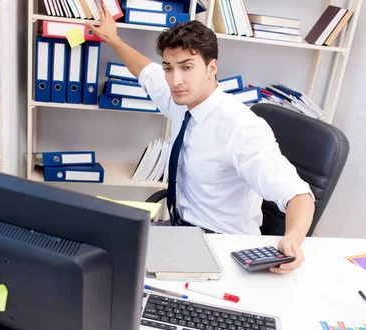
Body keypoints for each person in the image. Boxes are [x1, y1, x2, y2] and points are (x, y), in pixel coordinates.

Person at [88, 12, 315, 274]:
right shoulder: (180, 98)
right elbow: (145, 71)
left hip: (222, 245)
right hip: (180, 230)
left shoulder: (241, 127)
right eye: (169, 68)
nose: (175, 81)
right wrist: (113, 39)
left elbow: (298, 194)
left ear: (212, 68)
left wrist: (293, 239)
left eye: (186, 67)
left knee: (127, 280)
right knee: (102, 250)